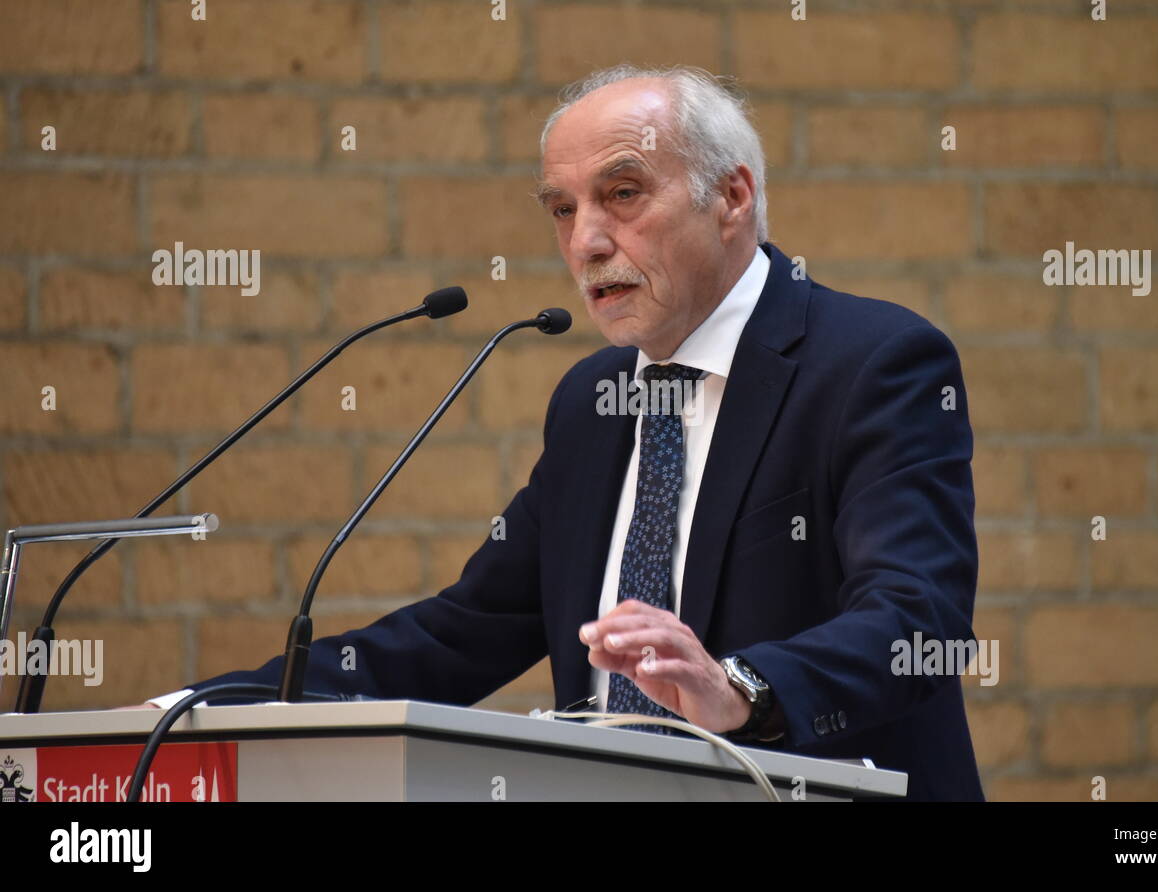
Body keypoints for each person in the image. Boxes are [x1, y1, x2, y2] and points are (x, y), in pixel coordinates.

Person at [144, 64, 984, 801]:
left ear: (732, 197)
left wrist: (740, 688)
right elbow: (461, 632)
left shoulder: (872, 363)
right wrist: (201, 709)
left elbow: (918, 621)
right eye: (561, 208)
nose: (585, 242)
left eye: (622, 194)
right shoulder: (594, 400)